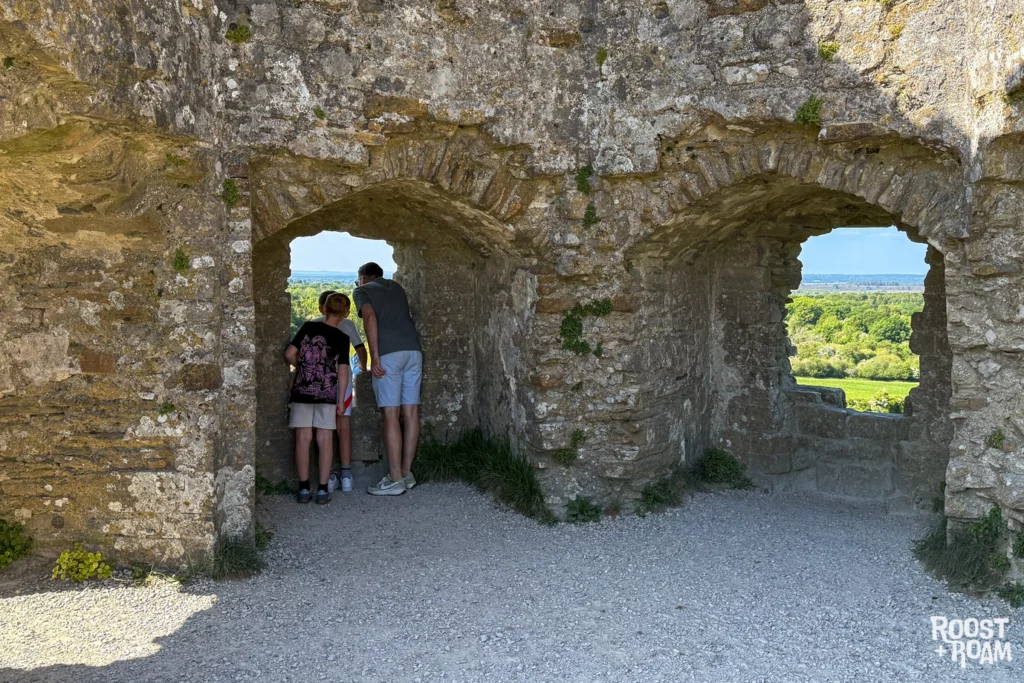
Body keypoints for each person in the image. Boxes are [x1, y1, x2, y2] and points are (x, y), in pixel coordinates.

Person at [353, 262, 422, 495]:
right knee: (411, 412)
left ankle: (394, 479)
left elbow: (370, 317)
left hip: (389, 354)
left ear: (363, 278)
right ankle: (406, 472)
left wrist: (375, 356)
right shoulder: (396, 287)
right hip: (413, 351)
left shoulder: (362, 290)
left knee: (390, 414)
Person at [284, 293, 351, 505]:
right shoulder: (342, 338)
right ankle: (322, 489)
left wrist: (303, 368)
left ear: (324, 309)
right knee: (325, 439)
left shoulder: (307, 328)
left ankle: (304, 489)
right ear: (346, 314)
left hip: (303, 390)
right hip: (327, 393)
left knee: (303, 439)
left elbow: (289, 354)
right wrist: (340, 401)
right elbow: (343, 373)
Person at [313, 290, 368, 494]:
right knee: (344, 428)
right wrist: (363, 367)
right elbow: (361, 348)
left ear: (322, 307)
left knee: (322, 429)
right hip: (343, 382)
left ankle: (326, 476)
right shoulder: (348, 325)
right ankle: (346, 474)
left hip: (321, 382)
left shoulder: (315, 324)